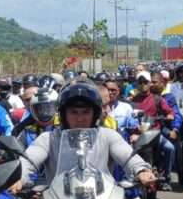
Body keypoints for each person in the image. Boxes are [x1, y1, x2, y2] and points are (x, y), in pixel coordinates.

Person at [16, 81, 155, 190]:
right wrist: (18, 178)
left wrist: (141, 170)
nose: (80, 118)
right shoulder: (49, 138)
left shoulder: (108, 135)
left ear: (94, 114)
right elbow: (29, 160)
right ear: (63, 115)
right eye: (73, 112)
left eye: (86, 112)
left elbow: (127, 156)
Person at [130, 72, 175, 190]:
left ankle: (167, 178)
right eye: (140, 82)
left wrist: (169, 116)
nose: (143, 84)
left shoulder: (157, 99)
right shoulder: (133, 101)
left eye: (145, 82)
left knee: (170, 148)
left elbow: (170, 112)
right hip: (140, 135)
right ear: (137, 85)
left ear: (149, 83)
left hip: (155, 133)